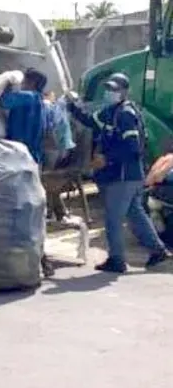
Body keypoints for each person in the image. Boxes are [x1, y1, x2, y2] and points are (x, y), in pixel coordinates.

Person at [64, 73, 172, 273]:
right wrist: (72, 105)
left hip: (124, 176)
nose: (109, 93)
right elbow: (89, 120)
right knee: (136, 213)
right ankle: (158, 251)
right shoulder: (110, 112)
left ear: (124, 92)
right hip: (130, 176)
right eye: (108, 89)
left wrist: (107, 158)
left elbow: (131, 148)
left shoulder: (125, 115)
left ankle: (116, 260)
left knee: (113, 218)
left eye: (114, 90)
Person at [0, 68, 48, 165]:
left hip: (21, 146)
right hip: (31, 147)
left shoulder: (28, 96)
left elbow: (4, 102)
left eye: (25, 80)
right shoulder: (38, 98)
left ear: (32, 82)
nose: (22, 84)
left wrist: (4, 87)